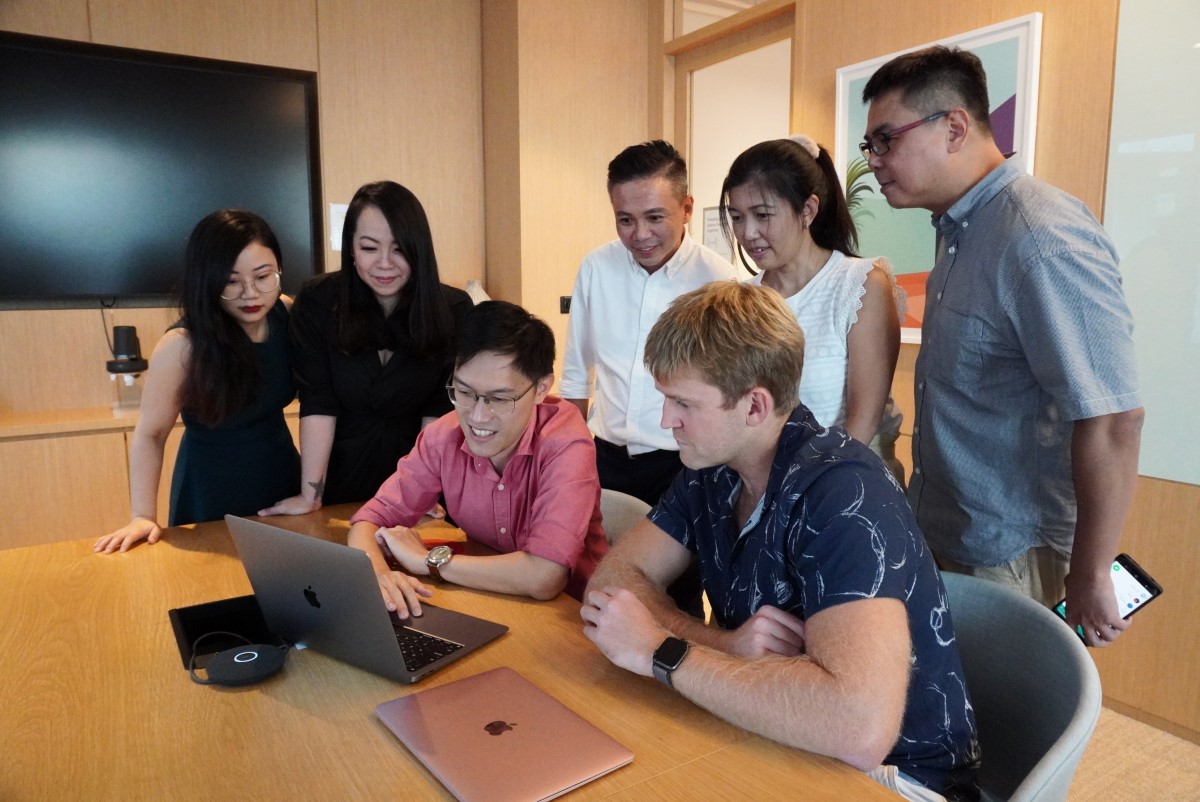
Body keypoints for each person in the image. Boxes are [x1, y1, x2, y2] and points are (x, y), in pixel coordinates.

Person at [580, 282, 979, 802]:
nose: (665, 421)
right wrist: (723, 646)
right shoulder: (713, 468)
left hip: (894, 778)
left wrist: (663, 650)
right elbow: (611, 590)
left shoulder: (842, 493)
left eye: (682, 403)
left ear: (754, 406)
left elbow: (857, 727)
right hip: (780, 737)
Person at [860, 46, 1144, 646]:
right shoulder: (961, 231)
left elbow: (1114, 415)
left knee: (1011, 727)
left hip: (1010, 554)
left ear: (955, 127)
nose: (875, 163)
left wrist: (1092, 571)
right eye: (871, 146)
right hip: (949, 529)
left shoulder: (1040, 236)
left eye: (886, 141)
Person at [562, 140, 738, 617]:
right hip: (605, 457)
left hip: (684, 462)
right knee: (593, 582)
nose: (639, 234)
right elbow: (576, 371)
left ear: (685, 208)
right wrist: (568, 459)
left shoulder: (720, 282)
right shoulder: (596, 267)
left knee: (673, 598)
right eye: (625, 219)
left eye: (655, 217)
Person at [348, 301, 607, 615]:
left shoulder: (566, 443)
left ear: (541, 389)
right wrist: (381, 577)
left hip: (573, 617)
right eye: (465, 392)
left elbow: (544, 577)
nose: (478, 417)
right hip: (488, 599)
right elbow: (369, 520)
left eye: (499, 398)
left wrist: (426, 561)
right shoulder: (444, 435)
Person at [95, 210, 300, 553]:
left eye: (263, 276)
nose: (250, 293)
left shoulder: (286, 312)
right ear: (206, 280)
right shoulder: (182, 345)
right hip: (211, 489)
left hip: (282, 478)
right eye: (231, 281)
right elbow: (151, 433)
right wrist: (142, 515)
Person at [262, 181, 472, 514]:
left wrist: (423, 490)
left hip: (420, 477)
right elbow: (318, 404)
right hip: (340, 476)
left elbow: (439, 411)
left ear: (419, 250)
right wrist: (310, 495)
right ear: (351, 249)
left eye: (400, 249)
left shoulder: (453, 309)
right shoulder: (318, 302)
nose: (385, 263)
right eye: (370, 248)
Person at [721, 135, 905, 479]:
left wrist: (799, 496)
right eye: (737, 217)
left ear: (808, 210)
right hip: (762, 486)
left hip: (846, 487)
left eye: (762, 215)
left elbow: (861, 426)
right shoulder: (743, 299)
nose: (748, 233)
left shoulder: (859, 284)